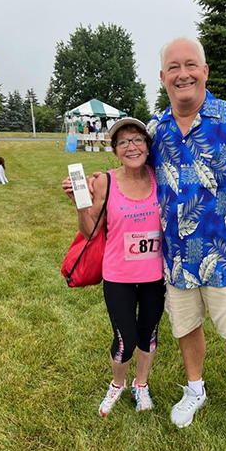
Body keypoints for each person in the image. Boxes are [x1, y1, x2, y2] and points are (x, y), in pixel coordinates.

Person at [148, 36, 226, 451]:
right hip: (178, 258)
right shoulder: (156, 130)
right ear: (163, 77)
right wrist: (94, 186)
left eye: (190, 65)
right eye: (173, 67)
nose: (182, 73)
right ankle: (196, 389)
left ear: (204, 72)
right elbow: (136, 176)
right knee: (186, 328)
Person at [61, 118, 165, 417]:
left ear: (147, 145)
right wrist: (80, 204)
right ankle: (118, 383)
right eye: (123, 142)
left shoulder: (159, 177)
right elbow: (90, 230)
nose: (131, 146)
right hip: (118, 275)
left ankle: (141, 384)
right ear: (115, 150)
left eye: (137, 140)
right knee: (125, 339)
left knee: (150, 333)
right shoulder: (105, 181)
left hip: (154, 276)